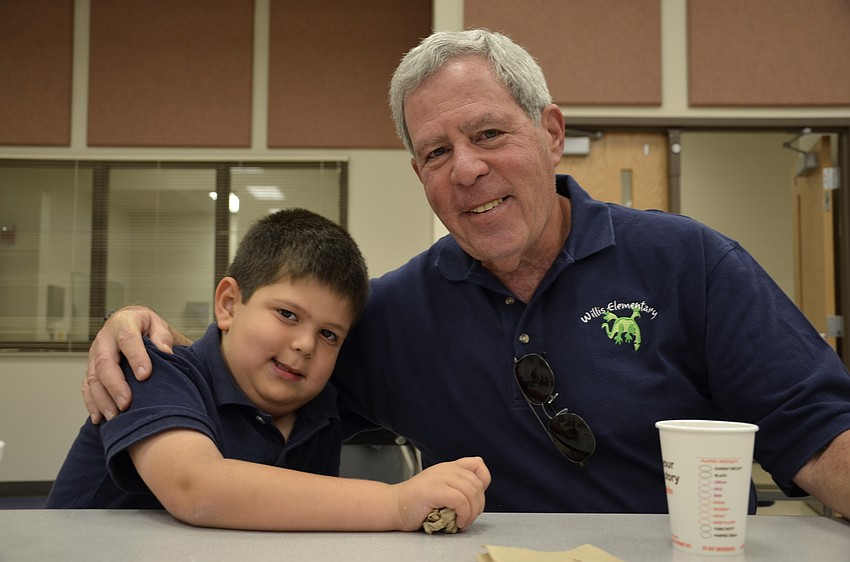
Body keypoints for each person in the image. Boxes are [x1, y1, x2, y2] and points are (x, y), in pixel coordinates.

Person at [83, 29, 850, 515]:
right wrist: (137, 332)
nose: (469, 169)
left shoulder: (690, 263)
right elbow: (254, 381)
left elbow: (821, 436)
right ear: (419, 173)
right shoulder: (387, 317)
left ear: (551, 132)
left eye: (489, 133)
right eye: (438, 152)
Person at [50, 208, 490, 532]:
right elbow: (196, 487)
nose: (304, 345)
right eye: (287, 314)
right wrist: (397, 502)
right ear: (228, 305)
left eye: (330, 335)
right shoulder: (153, 370)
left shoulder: (321, 408)